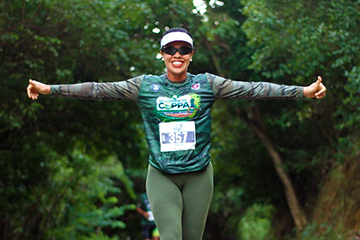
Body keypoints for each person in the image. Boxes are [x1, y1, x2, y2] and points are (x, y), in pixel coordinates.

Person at [27, 27, 326, 240]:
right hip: (161, 175)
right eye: (171, 49)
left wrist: (304, 92)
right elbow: (97, 90)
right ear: (162, 55)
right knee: (171, 236)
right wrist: (49, 89)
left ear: (191, 55)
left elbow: (254, 89)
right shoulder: (144, 86)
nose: (177, 54)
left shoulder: (208, 84)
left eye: (183, 49)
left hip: (199, 174)